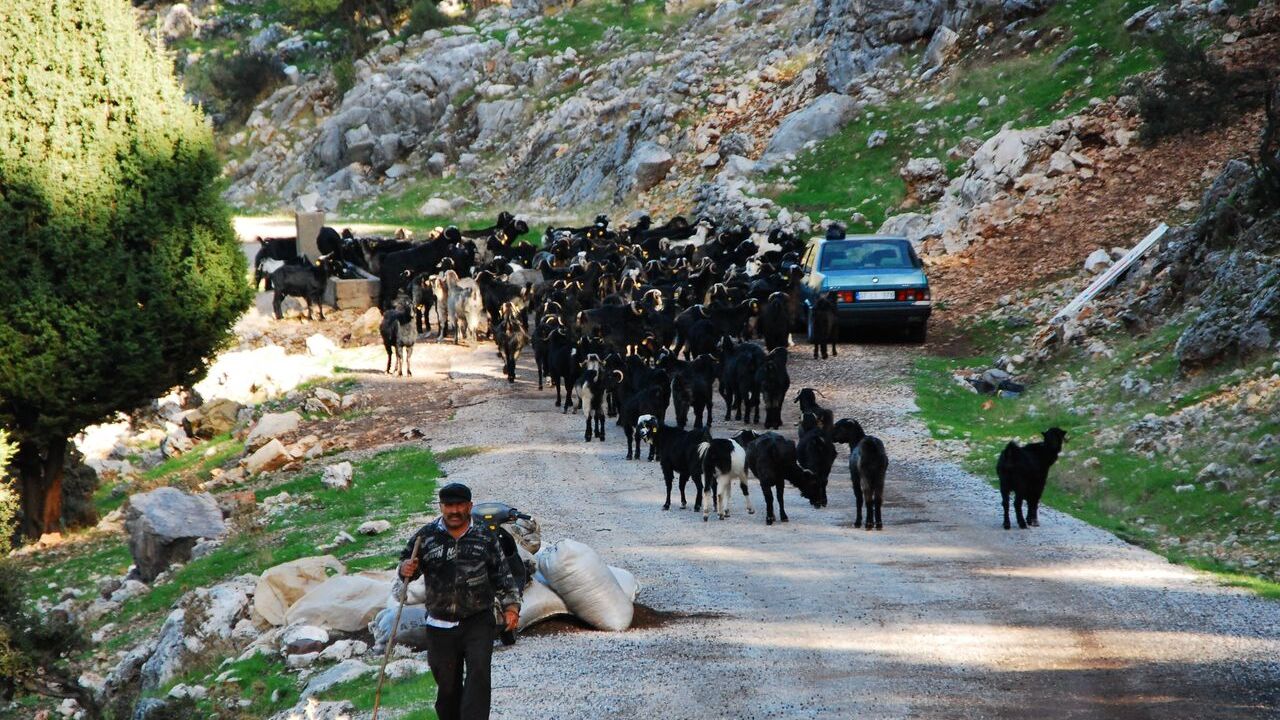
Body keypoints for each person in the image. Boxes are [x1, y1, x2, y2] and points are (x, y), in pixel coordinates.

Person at [398, 482, 521, 720]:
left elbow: (503, 575)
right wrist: (406, 568)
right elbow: (407, 565)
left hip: (478, 620)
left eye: (460, 505)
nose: (454, 511)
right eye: (449, 505)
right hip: (439, 624)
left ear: (469, 506)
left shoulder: (484, 535)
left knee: (478, 676)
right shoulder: (425, 536)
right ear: (441, 507)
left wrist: (511, 608)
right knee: (448, 688)